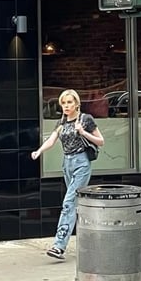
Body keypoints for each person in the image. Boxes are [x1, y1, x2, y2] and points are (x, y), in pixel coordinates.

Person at [31, 89, 104, 260]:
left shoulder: (85, 120)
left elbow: (101, 141)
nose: (66, 106)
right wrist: (39, 151)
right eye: (63, 103)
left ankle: (59, 246)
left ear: (77, 104)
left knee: (68, 203)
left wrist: (83, 132)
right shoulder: (62, 122)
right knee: (76, 204)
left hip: (81, 163)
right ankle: (94, 239)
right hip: (67, 164)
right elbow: (52, 139)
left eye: (69, 102)